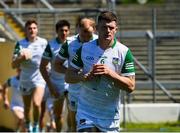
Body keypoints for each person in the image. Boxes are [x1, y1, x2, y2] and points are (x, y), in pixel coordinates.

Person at [65, 11, 135, 132]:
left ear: (116, 29)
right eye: (104, 27)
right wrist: (83, 77)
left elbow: (131, 86)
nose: (108, 31)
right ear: (97, 29)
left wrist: (110, 74)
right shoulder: (85, 48)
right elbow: (68, 76)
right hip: (86, 111)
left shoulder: (124, 52)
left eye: (111, 28)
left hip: (109, 116)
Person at [54, 17, 97, 131]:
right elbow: (56, 64)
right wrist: (71, 74)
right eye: (84, 33)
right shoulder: (69, 43)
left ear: (95, 30)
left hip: (94, 91)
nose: (87, 38)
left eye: (89, 34)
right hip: (75, 90)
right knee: (74, 126)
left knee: (94, 127)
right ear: (78, 28)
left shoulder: (99, 41)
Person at [11, 19, 48, 132]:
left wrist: (48, 66)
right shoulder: (20, 44)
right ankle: (28, 124)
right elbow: (13, 65)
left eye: (34, 28)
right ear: (26, 30)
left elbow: (48, 58)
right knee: (27, 108)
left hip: (39, 78)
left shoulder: (43, 42)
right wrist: (21, 58)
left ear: (37, 30)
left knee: (36, 104)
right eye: (29, 28)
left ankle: (35, 126)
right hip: (25, 79)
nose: (32, 30)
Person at [39, 19, 73, 132]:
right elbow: (42, 67)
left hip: (71, 84)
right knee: (58, 116)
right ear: (56, 31)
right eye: (61, 30)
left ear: (69, 31)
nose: (64, 33)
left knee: (73, 113)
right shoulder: (51, 45)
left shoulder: (73, 44)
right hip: (57, 85)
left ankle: (70, 130)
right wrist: (51, 86)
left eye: (66, 30)